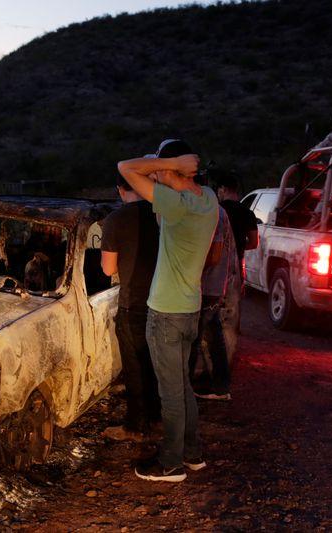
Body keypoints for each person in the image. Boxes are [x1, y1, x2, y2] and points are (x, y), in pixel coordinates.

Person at [118, 139, 217, 483]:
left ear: (172, 168)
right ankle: (192, 453)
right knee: (183, 387)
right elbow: (144, 173)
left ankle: (171, 463)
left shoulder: (176, 206)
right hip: (189, 309)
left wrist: (170, 164)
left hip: (166, 313)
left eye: (161, 166)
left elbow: (125, 168)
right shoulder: (207, 199)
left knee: (170, 393)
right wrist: (169, 167)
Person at [100, 174, 161, 442]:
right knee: (156, 364)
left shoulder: (115, 219)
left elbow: (108, 269)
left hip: (133, 302)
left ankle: (136, 426)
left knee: (135, 366)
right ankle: (157, 417)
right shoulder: (162, 214)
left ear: (120, 189)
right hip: (163, 301)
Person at [190, 205, 237, 401]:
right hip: (214, 285)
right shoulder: (218, 211)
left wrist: (189, 269)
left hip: (207, 285)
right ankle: (220, 385)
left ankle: (187, 389)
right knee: (212, 334)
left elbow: (214, 255)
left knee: (194, 337)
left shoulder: (210, 211)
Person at [213, 171, 256, 355]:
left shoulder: (216, 210)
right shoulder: (247, 213)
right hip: (235, 267)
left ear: (222, 189)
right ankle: (229, 357)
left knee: (212, 311)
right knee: (232, 311)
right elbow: (254, 243)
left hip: (214, 265)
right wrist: (238, 246)